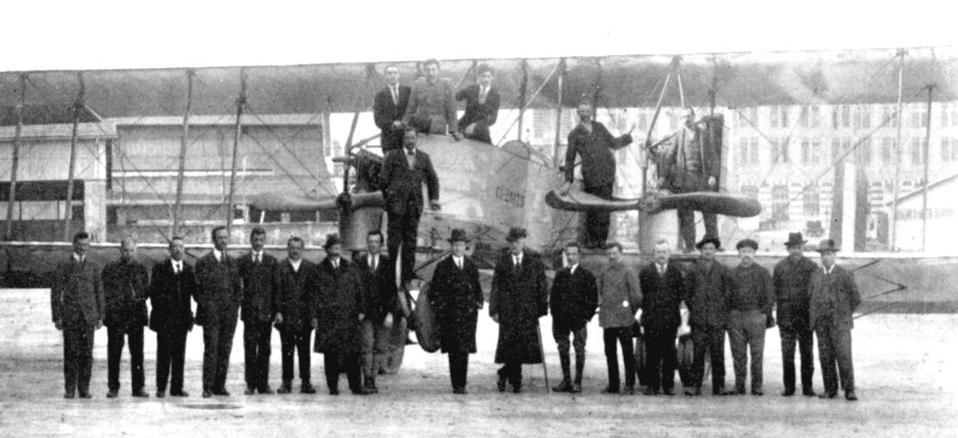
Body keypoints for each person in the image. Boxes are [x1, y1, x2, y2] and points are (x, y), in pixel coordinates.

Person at [561, 102, 634, 249]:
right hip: (591, 177)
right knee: (593, 209)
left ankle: (602, 242)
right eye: (582, 111)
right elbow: (569, 159)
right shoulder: (574, 134)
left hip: (607, 174)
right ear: (578, 113)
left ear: (592, 112)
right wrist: (568, 181)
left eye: (588, 111)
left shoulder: (600, 127)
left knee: (605, 209)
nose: (586, 114)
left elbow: (613, 143)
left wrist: (628, 136)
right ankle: (593, 242)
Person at [653, 106, 721, 252]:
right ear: (681, 119)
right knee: (686, 213)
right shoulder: (679, 135)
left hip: (702, 178)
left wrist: (713, 175)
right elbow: (670, 155)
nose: (687, 119)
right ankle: (689, 245)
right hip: (685, 179)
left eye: (689, 116)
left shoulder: (703, 134)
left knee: (708, 210)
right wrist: (663, 176)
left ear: (694, 117)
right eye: (683, 117)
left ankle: (713, 242)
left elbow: (714, 156)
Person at [489, 227, 548, 393]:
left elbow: (542, 286)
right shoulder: (503, 262)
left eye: (517, 241)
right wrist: (494, 310)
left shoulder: (534, 261)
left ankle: (505, 373)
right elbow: (496, 287)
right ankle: (516, 382)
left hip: (527, 312)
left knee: (522, 348)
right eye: (511, 242)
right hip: (507, 312)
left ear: (523, 241)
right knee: (511, 347)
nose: (513, 245)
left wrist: (541, 309)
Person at [380, 126, 440, 287]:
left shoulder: (424, 158)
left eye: (413, 138)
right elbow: (383, 180)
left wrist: (434, 199)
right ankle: (393, 273)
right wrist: (391, 198)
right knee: (393, 241)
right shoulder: (392, 156)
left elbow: (433, 179)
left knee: (410, 241)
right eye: (407, 138)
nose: (410, 141)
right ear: (403, 140)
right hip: (396, 207)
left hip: (414, 207)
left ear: (416, 139)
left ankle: (407, 274)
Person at [312, 234, 370, 395]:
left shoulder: (351, 268)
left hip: (348, 315)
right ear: (327, 250)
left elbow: (359, 290)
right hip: (328, 317)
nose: (335, 251)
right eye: (332, 248)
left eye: (338, 247)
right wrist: (315, 316)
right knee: (331, 354)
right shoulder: (319, 270)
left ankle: (356, 386)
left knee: (352, 353)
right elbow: (314, 295)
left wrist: (361, 310)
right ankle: (332, 387)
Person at [51, 231, 104, 399]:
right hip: (70, 316)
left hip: (88, 316)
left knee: (87, 354)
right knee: (71, 352)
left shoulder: (94, 265)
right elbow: (56, 292)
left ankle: (84, 389)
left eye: (86, 245)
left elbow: (99, 292)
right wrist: (57, 316)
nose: (83, 248)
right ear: (74, 245)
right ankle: (69, 389)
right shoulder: (64, 265)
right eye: (80, 245)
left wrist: (101, 316)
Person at [429, 229, 484, 394]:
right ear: (451, 246)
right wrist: (442, 308)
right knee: (454, 351)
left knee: (464, 351)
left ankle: (463, 383)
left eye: (461, 244)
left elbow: (476, 288)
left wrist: (478, 302)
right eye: (455, 244)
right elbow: (435, 291)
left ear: (465, 246)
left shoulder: (471, 266)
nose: (458, 247)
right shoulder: (442, 267)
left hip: (467, 316)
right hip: (450, 317)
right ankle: (456, 385)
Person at [809, 239, 861, 401]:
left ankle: (849, 390)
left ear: (835, 255)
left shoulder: (844, 274)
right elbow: (810, 296)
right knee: (825, 356)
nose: (826, 258)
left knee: (844, 356)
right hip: (822, 324)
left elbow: (855, 298)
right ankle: (830, 389)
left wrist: (844, 313)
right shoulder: (816, 275)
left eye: (829, 254)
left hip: (840, 324)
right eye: (823, 255)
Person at [194, 225, 242, 398]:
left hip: (229, 316)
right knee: (211, 349)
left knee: (225, 350)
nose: (223, 240)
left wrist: (234, 308)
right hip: (211, 316)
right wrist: (209, 307)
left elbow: (238, 289)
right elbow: (198, 291)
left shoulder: (232, 262)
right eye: (220, 237)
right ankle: (207, 386)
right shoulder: (203, 262)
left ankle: (219, 385)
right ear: (213, 240)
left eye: (225, 237)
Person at [685, 235, 734, 396]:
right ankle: (695, 385)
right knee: (698, 353)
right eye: (705, 249)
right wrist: (697, 307)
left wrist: (719, 310)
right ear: (701, 251)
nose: (708, 252)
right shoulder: (693, 270)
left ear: (715, 251)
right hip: (698, 319)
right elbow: (687, 293)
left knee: (717, 353)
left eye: (711, 249)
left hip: (717, 320)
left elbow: (728, 294)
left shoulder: (722, 270)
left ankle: (719, 386)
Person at [101, 238, 150, 398]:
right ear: (120, 250)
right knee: (114, 354)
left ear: (135, 250)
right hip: (117, 317)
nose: (128, 253)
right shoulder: (110, 268)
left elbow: (145, 291)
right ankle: (113, 387)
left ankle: (138, 388)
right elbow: (105, 292)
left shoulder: (141, 269)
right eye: (125, 250)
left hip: (135, 317)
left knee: (137, 354)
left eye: (131, 250)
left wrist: (138, 297)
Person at [148, 236, 195, 398]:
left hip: (182, 320)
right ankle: (161, 388)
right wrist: (163, 313)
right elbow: (154, 295)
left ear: (184, 249)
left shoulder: (189, 270)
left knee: (179, 356)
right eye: (174, 247)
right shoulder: (160, 269)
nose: (178, 249)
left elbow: (194, 294)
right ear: (169, 250)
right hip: (165, 320)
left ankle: (177, 388)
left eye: (181, 246)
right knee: (163, 355)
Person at [638, 239, 686, 395]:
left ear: (669, 254)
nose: (661, 255)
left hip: (670, 319)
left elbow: (680, 294)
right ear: (653, 254)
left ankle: (668, 385)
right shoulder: (645, 273)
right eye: (658, 252)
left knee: (669, 353)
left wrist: (670, 309)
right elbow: (642, 296)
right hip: (651, 320)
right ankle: (653, 385)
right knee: (652, 353)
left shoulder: (676, 273)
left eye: (664, 252)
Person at [728, 238, 775, 396]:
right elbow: (726, 297)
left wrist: (763, 315)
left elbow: (770, 296)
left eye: (749, 252)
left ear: (754, 254)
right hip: (736, 318)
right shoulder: (732, 273)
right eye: (743, 252)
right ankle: (739, 385)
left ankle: (757, 386)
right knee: (738, 354)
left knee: (757, 353)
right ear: (739, 254)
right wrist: (730, 316)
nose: (746, 255)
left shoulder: (763, 273)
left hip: (756, 317)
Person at [550, 242, 599, 394]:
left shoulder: (586, 275)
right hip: (562, 320)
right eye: (568, 254)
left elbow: (593, 298)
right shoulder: (560, 274)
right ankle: (566, 380)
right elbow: (554, 297)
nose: (570, 257)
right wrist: (555, 315)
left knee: (579, 349)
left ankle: (577, 382)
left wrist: (586, 317)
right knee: (563, 348)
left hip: (579, 320)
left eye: (573, 254)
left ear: (579, 255)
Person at [773, 232, 818, 397]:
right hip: (786, 317)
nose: (796, 251)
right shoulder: (780, 267)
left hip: (805, 316)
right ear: (788, 249)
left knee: (807, 353)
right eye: (792, 248)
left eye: (798, 248)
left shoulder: (812, 267)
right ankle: (789, 387)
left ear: (802, 248)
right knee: (787, 354)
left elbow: (815, 291)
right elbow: (774, 291)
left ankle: (808, 387)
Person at [355, 230, 399, 394]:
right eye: (370, 241)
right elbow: (356, 289)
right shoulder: (359, 263)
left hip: (382, 313)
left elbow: (392, 291)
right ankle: (366, 378)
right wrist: (358, 310)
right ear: (367, 243)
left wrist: (390, 313)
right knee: (366, 346)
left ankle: (373, 378)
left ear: (381, 245)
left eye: (376, 242)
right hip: (365, 313)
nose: (373, 244)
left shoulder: (388, 264)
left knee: (380, 348)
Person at [237, 227, 279, 395]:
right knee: (249, 348)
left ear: (265, 241)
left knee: (264, 349)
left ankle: (263, 384)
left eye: (261, 239)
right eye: (256, 239)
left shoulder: (271, 261)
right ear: (251, 240)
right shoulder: (242, 261)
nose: (258, 242)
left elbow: (276, 288)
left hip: (266, 313)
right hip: (249, 313)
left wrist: (276, 311)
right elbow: (237, 286)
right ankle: (250, 383)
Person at [597, 242, 642, 395]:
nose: (611, 256)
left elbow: (636, 296)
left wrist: (629, 310)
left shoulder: (628, 271)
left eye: (614, 253)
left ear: (620, 253)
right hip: (608, 320)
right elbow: (602, 292)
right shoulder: (605, 272)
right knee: (610, 353)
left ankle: (630, 384)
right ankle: (613, 384)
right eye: (609, 254)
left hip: (624, 320)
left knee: (627, 353)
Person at [275, 236, 317, 394]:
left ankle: (306, 382)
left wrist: (313, 315)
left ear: (302, 249)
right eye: (292, 247)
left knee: (304, 350)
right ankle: (287, 382)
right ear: (288, 249)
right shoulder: (280, 267)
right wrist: (278, 311)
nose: (295, 250)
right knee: (287, 350)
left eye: (298, 248)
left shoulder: (310, 268)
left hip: (304, 317)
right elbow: (277, 291)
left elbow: (313, 294)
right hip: (286, 316)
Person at [402, 58, 461, 138]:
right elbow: (411, 107)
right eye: (427, 70)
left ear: (438, 70)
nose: (430, 73)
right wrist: (404, 123)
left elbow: (452, 109)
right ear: (424, 72)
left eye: (433, 69)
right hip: (421, 128)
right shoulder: (418, 84)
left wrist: (454, 130)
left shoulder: (447, 85)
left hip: (439, 128)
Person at [455, 63, 500, 144]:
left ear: (492, 78)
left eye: (488, 76)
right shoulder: (471, 89)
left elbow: (493, 119)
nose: (486, 79)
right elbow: (455, 97)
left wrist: (476, 125)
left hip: (482, 131)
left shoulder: (495, 95)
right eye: (483, 76)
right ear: (479, 77)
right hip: (464, 127)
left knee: (489, 153)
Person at [373, 65, 411, 152]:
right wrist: (392, 124)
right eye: (389, 73)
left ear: (399, 75)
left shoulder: (408, 91)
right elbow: (378, 119)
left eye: (395, 73)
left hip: (407, 136)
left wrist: (404, 123)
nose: (393, 76)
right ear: (385, 76)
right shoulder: (380, 95)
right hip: (389, 138)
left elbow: (413, 110)